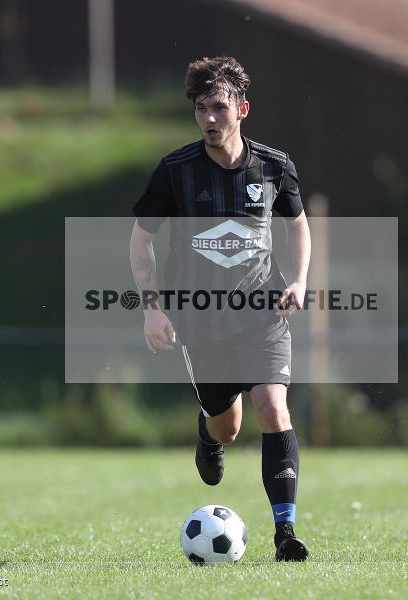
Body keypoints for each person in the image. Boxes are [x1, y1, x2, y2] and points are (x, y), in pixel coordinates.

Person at [129, 56, 311, 561]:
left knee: (272, 407)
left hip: (263, 315)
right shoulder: (176, 171)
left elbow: (298, 225)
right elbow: (141, 240)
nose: (209, 118)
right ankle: (208, 438)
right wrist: (151, 307)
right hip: (199, 320)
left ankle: (285, 533)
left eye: (219, 107)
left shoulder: (274, 166)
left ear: (242, 109)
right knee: (227, 427)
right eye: (200, 108)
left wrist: (299, 280)